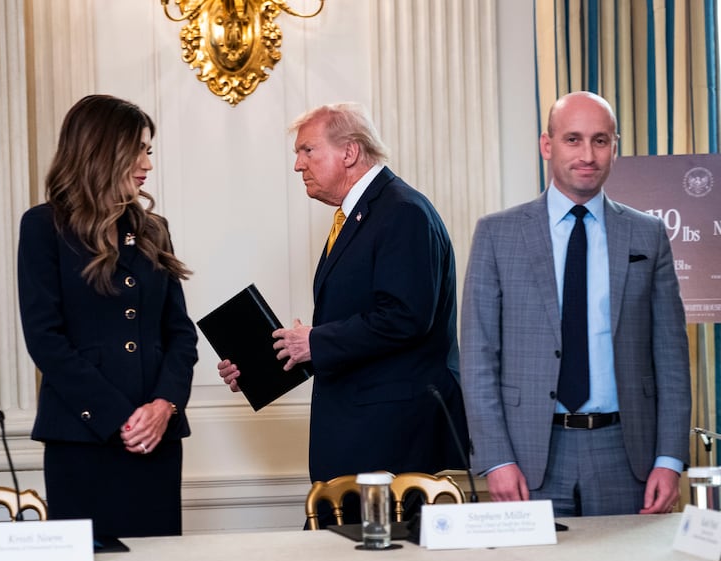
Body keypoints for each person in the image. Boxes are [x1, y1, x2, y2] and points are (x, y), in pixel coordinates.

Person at [218, 103, 469, 522]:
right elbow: (361, 323)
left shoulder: (402, 211)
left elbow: (405, 318)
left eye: (308, 150)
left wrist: (314, 341)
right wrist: (262, 366)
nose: (298, 165)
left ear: (349, 152)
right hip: (361, 434)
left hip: (391, 440)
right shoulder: (362, 214)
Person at [460, 91, 691, 516]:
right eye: (573, 139)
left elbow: (671, 357)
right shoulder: (497, 234)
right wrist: (496, 458)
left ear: (614, 147)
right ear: (547, 145)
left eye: (600, 141)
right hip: (528, 456)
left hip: (628, 456)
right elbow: (478, 357)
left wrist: (670, 459)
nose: (587, 155)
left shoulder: (648, 234)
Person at [17, 94, 198, 537]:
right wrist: (120, 417)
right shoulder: (43, 227)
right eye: (137, 150)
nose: (147, 164)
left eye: (148, 150)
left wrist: (165, 406)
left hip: (157, 438)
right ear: (101, 150)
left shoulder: (154, 230)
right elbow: (46, 339)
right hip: (82, 441)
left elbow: (180, 334)